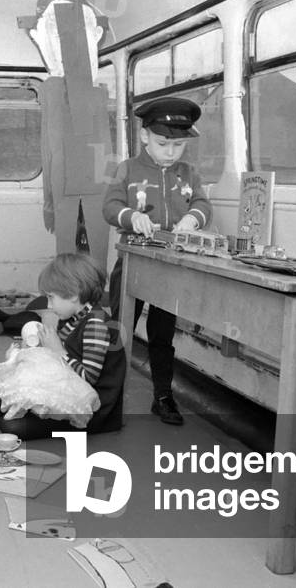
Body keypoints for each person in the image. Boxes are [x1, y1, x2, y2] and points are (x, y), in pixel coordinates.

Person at [103, 97, 211, 425]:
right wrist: (130, 216)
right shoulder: (128, 169)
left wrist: (194, 218)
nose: (171, 152)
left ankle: (163, 396)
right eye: (164, 143)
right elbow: (109, 206)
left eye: (179, 145)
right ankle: (107, 395)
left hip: (169, 266)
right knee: (120, 329)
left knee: (162, 336)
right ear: (146, 135)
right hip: (134, 262)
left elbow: (204, 204)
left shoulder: (188, 173)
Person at [0, 253, 125, 439]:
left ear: (73, 294)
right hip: (69, 394)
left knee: (12, 426)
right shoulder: (72, 318)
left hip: (90, 411)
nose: (49, 304)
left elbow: (89, 378)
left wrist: (58, 351)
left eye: (51, 297)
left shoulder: (96, 326)